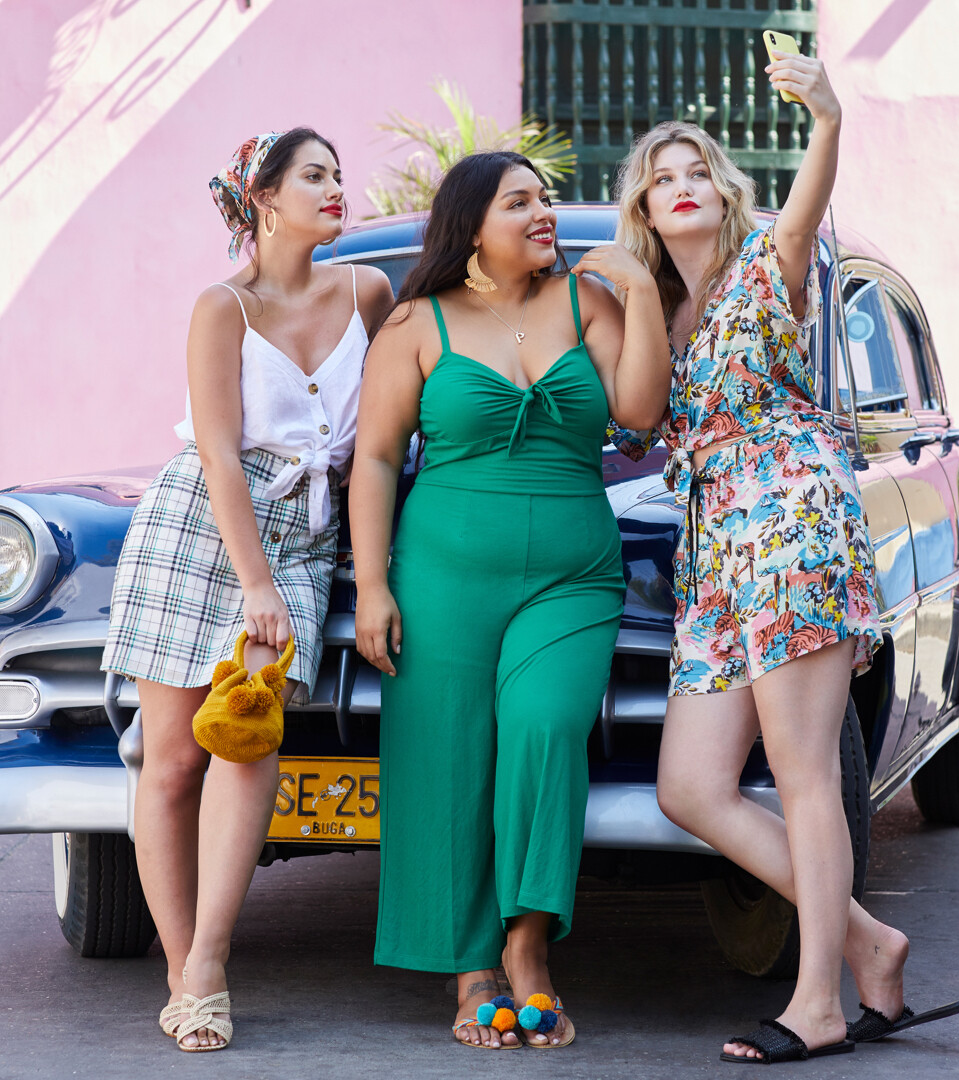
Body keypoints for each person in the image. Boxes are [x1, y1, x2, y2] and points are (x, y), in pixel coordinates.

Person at [612, 55, 959, 1065]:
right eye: (662, 177)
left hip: (790, 524)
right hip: (714, 556)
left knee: (806, 774)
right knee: (690, 784)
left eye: (698, 170)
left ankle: (818, 1003)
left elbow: (808, 207)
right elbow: (634, 420)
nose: (683, 185)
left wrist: (826, 117)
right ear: (644, 206)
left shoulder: (769, 264)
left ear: (723, 190)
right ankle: (868, 941)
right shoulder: (659, 313)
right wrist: (625, 292)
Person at [350, 151, 668, 1049]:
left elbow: (641, 412)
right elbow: (376, 457)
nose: (544, 212)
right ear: (470, 224)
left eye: (545, 197)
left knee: (543, 727)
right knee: (446, 756)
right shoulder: (416, 322)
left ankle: (527, 945)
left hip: (572, 573)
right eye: (519, 201)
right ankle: (472, 971)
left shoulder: (587, 301)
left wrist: (642, 292)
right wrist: (372, 585)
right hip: (441, 573)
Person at [101, 128, 392, 1052]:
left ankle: (209, 962)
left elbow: (387, 437)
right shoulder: (221, 306)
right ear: (264, 198)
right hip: (201, 523)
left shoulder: (369, 292)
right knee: (171, 761)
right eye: (315, 175)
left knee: (247, 734)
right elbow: (220, 453)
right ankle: (183, 973)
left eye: (338, 175)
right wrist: (253, 580)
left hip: (304, 535)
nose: (337, 189)